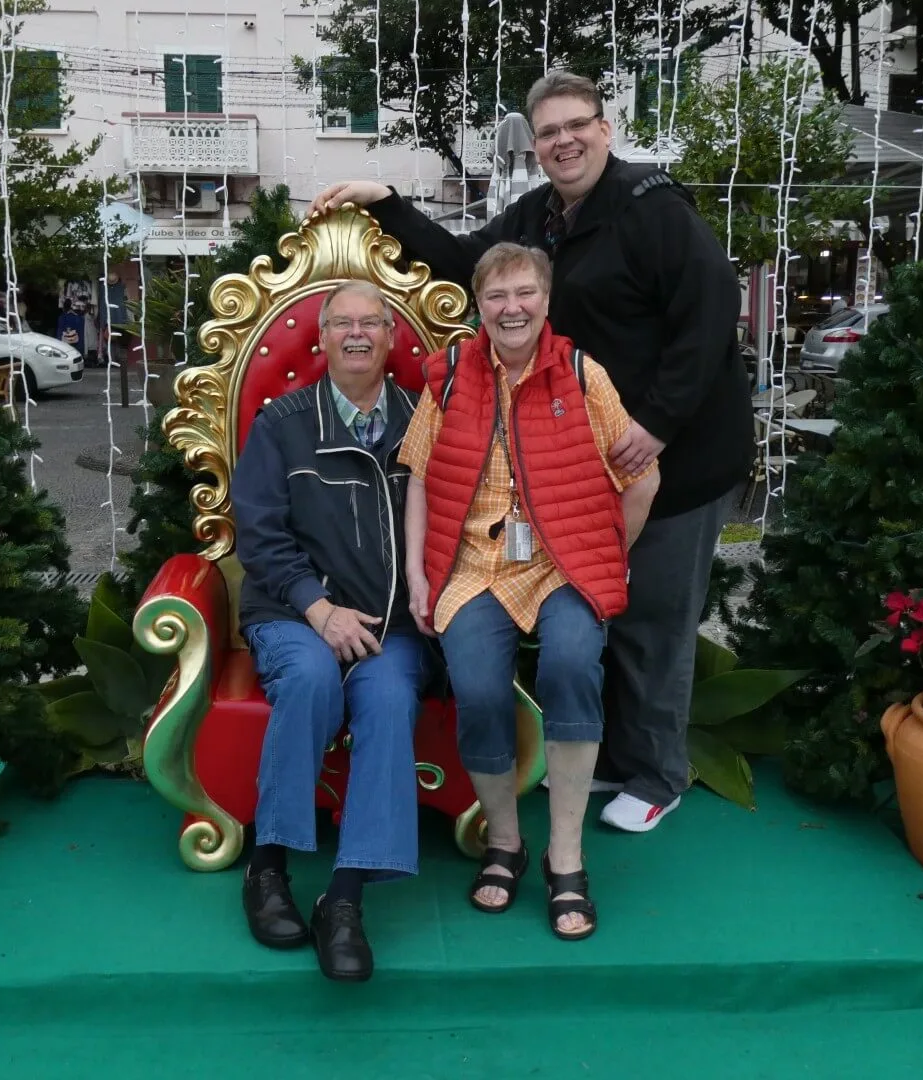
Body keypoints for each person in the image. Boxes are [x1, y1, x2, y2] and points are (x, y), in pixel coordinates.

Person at [311, 69, 750, 833]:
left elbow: (711, 313)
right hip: (597, 459)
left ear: (605, 130)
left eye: (577, 125)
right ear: (535, 146)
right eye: (548, 132)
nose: (564, 141)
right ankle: (610, 756)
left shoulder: (655, 210)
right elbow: (463, 263)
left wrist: (658, 422)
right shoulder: (540, 217)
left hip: (680, 453)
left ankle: (658, 774)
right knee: (605, 608)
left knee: (655, 617)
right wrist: (386, 202)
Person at [400, 243, 659, 940]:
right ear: (479, 305)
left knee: (573, 664)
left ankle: (566, 853)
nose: (510, 308)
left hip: (561, 562)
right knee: (480, 689)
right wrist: (420, 574)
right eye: (496, 296)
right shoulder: (451, 373)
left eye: (524, 294)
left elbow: (643, 479)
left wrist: (608, 558)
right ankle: (506, 840)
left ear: (546, 301)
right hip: (473, 563)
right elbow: (420, 475)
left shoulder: (582, 374)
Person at [230, 279, 434, 983]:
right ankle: (268, 865)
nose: (355, 334)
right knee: (313, 676)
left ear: (390, 338)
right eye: (341, 323)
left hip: (392, 624)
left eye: (369, 323)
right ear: (320, 340)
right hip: (293, 614)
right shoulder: (281, 423)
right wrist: (318, 609)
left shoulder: (423, 422)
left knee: (385, 699)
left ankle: (342, 900)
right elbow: (256, 534)